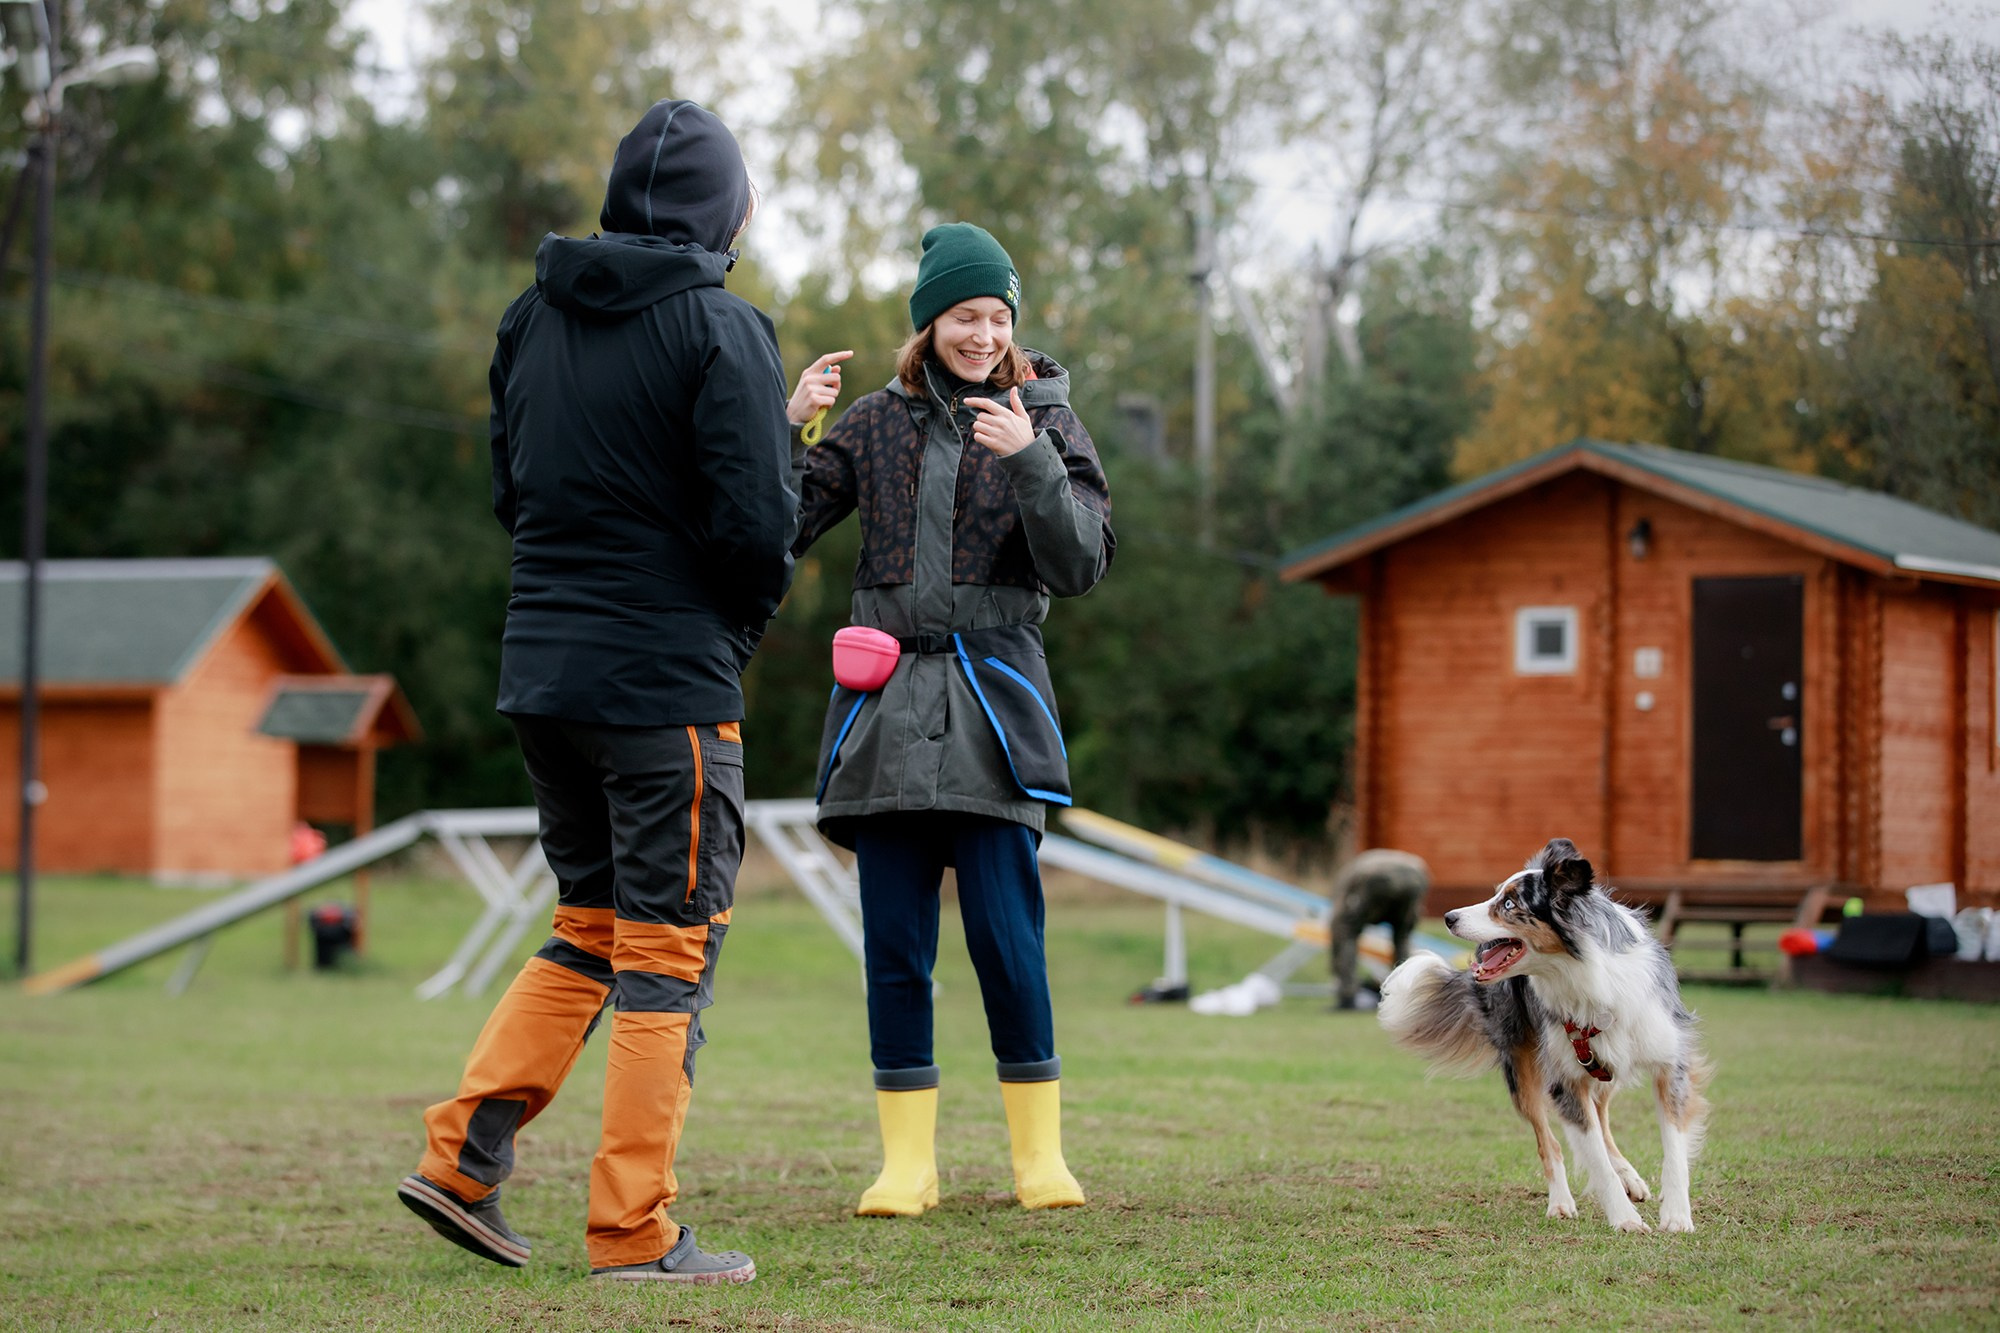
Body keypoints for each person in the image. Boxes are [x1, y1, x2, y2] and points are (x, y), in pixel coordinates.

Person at [397, 99, 795, 1285]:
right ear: (722, 208)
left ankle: (461, 1161)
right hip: (663, 681)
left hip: (542, 671)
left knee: (587, 921)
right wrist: (733, 633)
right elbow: (755, 523)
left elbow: (510, 495)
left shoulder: (530, 317)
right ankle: (634, 1229)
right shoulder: (723, 328)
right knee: (669, 949)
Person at [788, 222, 1113, 1216]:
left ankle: (1037, 1159)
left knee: (1007, 944)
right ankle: (906, 1165)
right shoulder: (874, 423)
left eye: (997, 316)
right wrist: (786, 420)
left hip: (993, 716)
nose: (981, 334)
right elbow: (773, 523)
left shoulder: (1046, 418)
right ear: (928, 322)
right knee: (892, 949)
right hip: (882, 717)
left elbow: (1081, 564)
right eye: (964, 315)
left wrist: (1028, 462)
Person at [1327, 848, 1432, 1011]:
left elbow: (1340, 916)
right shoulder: (1359, 868)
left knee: (1344, 930)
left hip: (1375, 875)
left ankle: (1347, 996)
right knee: (1402, 936)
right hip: (1417, 872)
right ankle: (1405, 996)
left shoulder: (1346, 879)